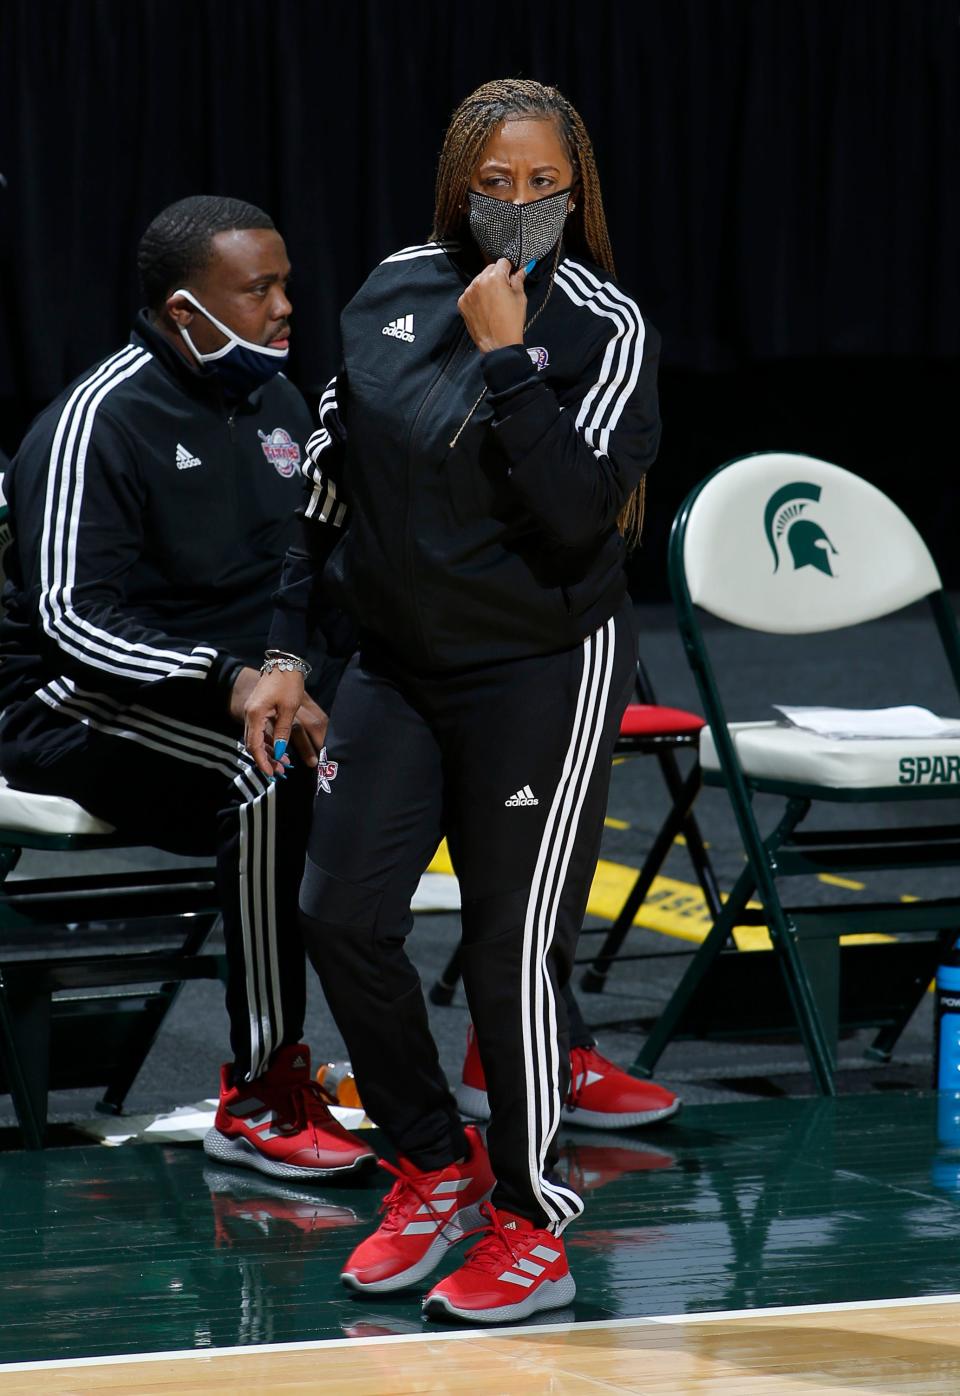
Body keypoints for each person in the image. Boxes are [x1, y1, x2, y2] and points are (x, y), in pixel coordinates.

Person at [246, 77, 664, 1323]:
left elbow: (584, 513)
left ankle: (535, 1223)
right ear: (458, 183)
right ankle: (434, 1165)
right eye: (498, 184)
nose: (521, 206)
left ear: (576, 191)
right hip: (395, 658)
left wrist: (505, 360)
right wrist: (283, 648)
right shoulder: (386, 290)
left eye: (546, 186)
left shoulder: (602, 322)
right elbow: (331, 490)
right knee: (341, 912)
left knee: (508, 951)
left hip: (541, 663)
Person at [0, 195, 372, 1182]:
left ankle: (494, 1056)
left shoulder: (281, 405)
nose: (288, 306)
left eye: (286, 282)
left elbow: (308, 579)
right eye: (259, 290)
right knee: (264, 771)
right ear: (183, 309)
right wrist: (233, 678)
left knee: (441, 737)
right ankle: (259, 1092)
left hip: (240, 687)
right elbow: (71, 623)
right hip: (66, 700)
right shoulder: (96, 421)